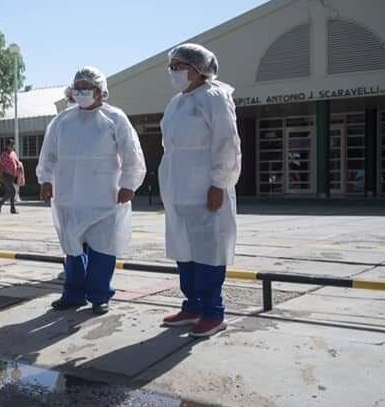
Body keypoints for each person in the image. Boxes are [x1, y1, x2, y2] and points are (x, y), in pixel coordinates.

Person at [36, 66, 146, 315]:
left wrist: (128, 184)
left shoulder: (115, 118)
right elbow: (48, 155)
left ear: (101, 90)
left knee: (102, 250)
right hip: (68, 198)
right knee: (72, 249)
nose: (82, 92)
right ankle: (73, 295)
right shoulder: (62, 120)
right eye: (79, 87)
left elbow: (132, 155)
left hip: (104, 199)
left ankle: (99, 296)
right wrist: (45, 180)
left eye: (88, 87)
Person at [159, 43, 241, 338]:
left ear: (199, 68)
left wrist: (220, 182)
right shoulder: (176, 102)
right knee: (184, 248)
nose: (174, 71)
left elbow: (226, 142)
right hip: (178, 188)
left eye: (180, 66)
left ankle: (213, 312)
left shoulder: (214, 97)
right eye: (172, 66)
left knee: (208, 250)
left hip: (206, 187)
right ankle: (191, 306)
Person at [0, 140, 22, 214]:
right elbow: (1, 165)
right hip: (6, 175)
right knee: (13, 191)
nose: (13, 146)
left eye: (13, 145)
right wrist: (0, 175)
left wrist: (19, 167)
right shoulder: (4, 155)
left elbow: (17, 162)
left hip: (12, 175)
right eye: (11, 145)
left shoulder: (13, 153)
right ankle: (12, 209)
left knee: (9, 192)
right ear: (7, 146)